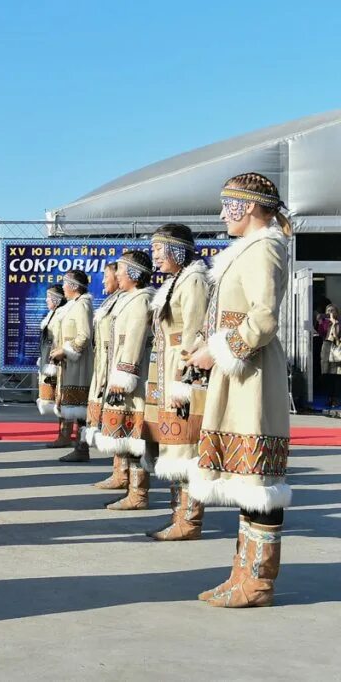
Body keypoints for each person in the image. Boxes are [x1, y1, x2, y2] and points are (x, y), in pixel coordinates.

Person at [185, 172, 292, 608]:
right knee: (247, 478)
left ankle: (258, 583)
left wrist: (221, 351)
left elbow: (264, 318)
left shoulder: (265, 248)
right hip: (238, 371)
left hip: (253, 376)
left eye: (228, 204)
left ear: (248, 206)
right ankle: (242, 574)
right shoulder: (246, 251)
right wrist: (207, 343)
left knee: (259, 479)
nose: (221, 213)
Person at [142, 224, 210, 541]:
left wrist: (184, 381)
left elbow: (196, 334)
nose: (154, 257)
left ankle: (189, 520)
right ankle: (177, 514)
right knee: (172, 446)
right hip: (167, 370)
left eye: (158, 250)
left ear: (177, 249)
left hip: (183, 372)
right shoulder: (175, 282)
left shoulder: (194, 280)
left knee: (186, 447)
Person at [94, 250, 154, 511]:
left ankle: (138, 494)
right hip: (120, 374)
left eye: (120, 269)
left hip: (132, 380)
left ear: (132, 273)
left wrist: (124, 374)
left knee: (135, 436)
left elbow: (135, 339)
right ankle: (130, 487)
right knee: (126, 436)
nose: (116, 274)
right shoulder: (128, 299)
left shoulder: (141, 300)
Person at [83, 263, 125, 489]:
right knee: (112, 421)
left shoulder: (131, 301)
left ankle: (127, 479)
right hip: (105, 366)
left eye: (108, 276)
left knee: (123, 423)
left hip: (117, 368)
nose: (104, 281)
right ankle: (118, 472)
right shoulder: (113, 301)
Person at [51, 270, 94, 462]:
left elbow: (84, 335)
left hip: (79, 364)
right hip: (70, 363)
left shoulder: (83, 305)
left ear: (74, 286)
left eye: (65, 284)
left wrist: (66, 351)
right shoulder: (73, 305)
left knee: (81, 409)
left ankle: (82, 447)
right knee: (76, 408)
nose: (63, 288)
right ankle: (79, 445)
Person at [37, 285, 66, 419]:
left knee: (62, 398)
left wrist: (53, 361)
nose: (46, 300)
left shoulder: (62, 315)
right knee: (57, 399)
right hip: (50, 359)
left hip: (58, 362)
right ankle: (63, 433)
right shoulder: (52, 314)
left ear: (57, 299)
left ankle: (66, 433)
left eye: (48, 297)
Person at [320, 304, 340, 412]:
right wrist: (321, 322)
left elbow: (337, 336)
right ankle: (329, 398)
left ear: (336, 312)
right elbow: (321, 333)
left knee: (335, 375)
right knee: (326, 374)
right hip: (326, 347)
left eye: (332, 310)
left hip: (336, 348)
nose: (330, 312)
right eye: (328, 311)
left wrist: (334, 322)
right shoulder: (325, 323)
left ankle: (335, 398)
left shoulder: (338, 322)